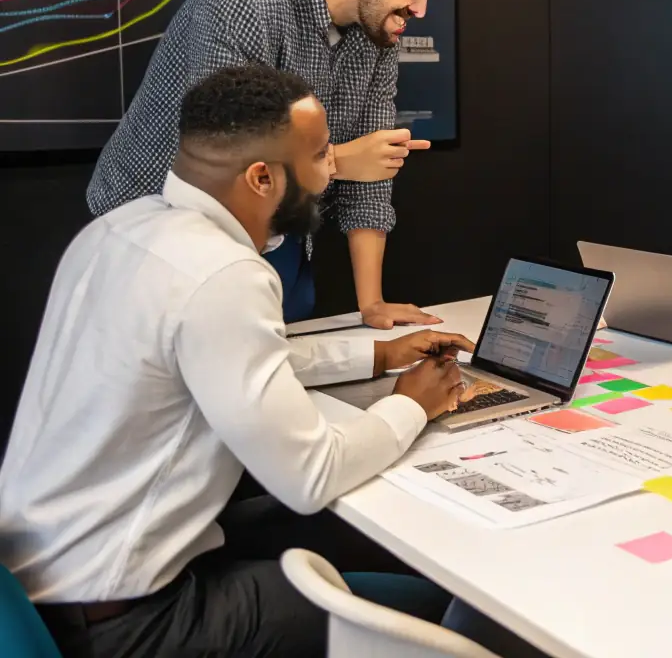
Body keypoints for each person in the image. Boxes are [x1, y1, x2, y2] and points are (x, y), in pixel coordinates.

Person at [0, 65, 491, 658]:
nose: (330, 168)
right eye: (317, 156)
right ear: (262, 177)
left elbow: (212, 356)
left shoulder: (119, 230)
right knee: (438, 617)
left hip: (48, 584)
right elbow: (311, 477)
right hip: (130, 623)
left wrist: (377, 353)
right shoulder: (225, 273)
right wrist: (412, 404)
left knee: (332, 536)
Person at [87, 0, 444, 328]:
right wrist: (342, 161)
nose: (421, 12)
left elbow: (372, 173)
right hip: (158, 227)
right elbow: (227, 147)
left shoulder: (377, 34)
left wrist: (372, 304)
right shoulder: (244, 1)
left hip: (272, 222)